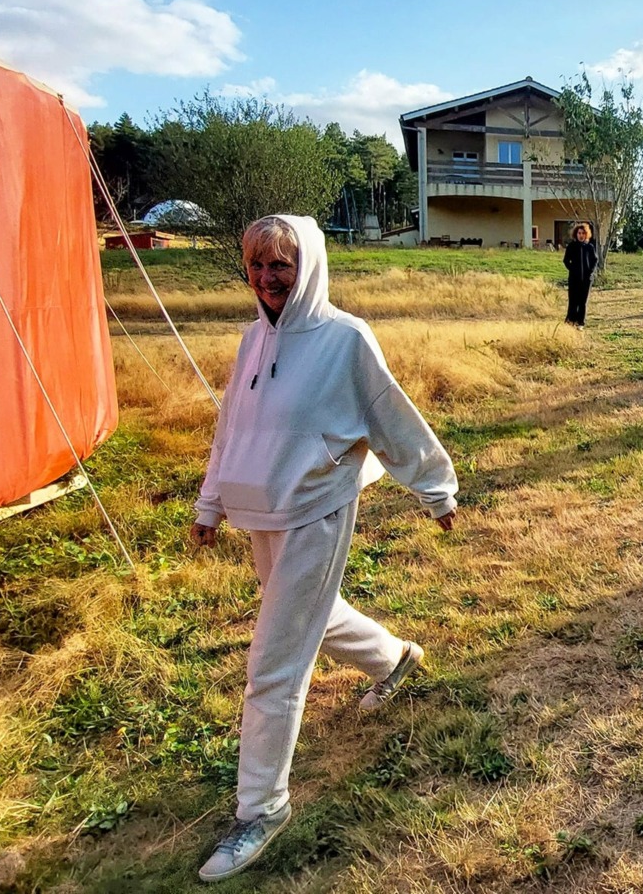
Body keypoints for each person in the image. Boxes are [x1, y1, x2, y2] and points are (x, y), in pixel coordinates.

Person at [191, 215, 459, 882]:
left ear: (306, 265)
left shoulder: (345, 339)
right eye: (255, 265)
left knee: (274, 663)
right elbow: (232, 427)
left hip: (316, 507)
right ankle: (394, 660)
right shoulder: (253, 339)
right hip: (262, 510)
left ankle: (262, 808)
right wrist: (210, 503)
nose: (266, 278)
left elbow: (391, 415)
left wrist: (436, 489)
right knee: (312, 612)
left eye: (279, 265)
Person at [562, 222, 598, 327]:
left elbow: (595, 260)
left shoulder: (590, 247)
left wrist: (590, 272)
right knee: (573, 301)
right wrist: (572, 270)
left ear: (586, 234)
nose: (581, 235)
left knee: (583, 302)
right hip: (574, 279)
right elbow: (566, 260)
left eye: (583, 233)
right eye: (579, 233)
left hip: (586, 280)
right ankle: (570, 321)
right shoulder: (571, 246)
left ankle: (580, 322)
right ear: (576, 234)